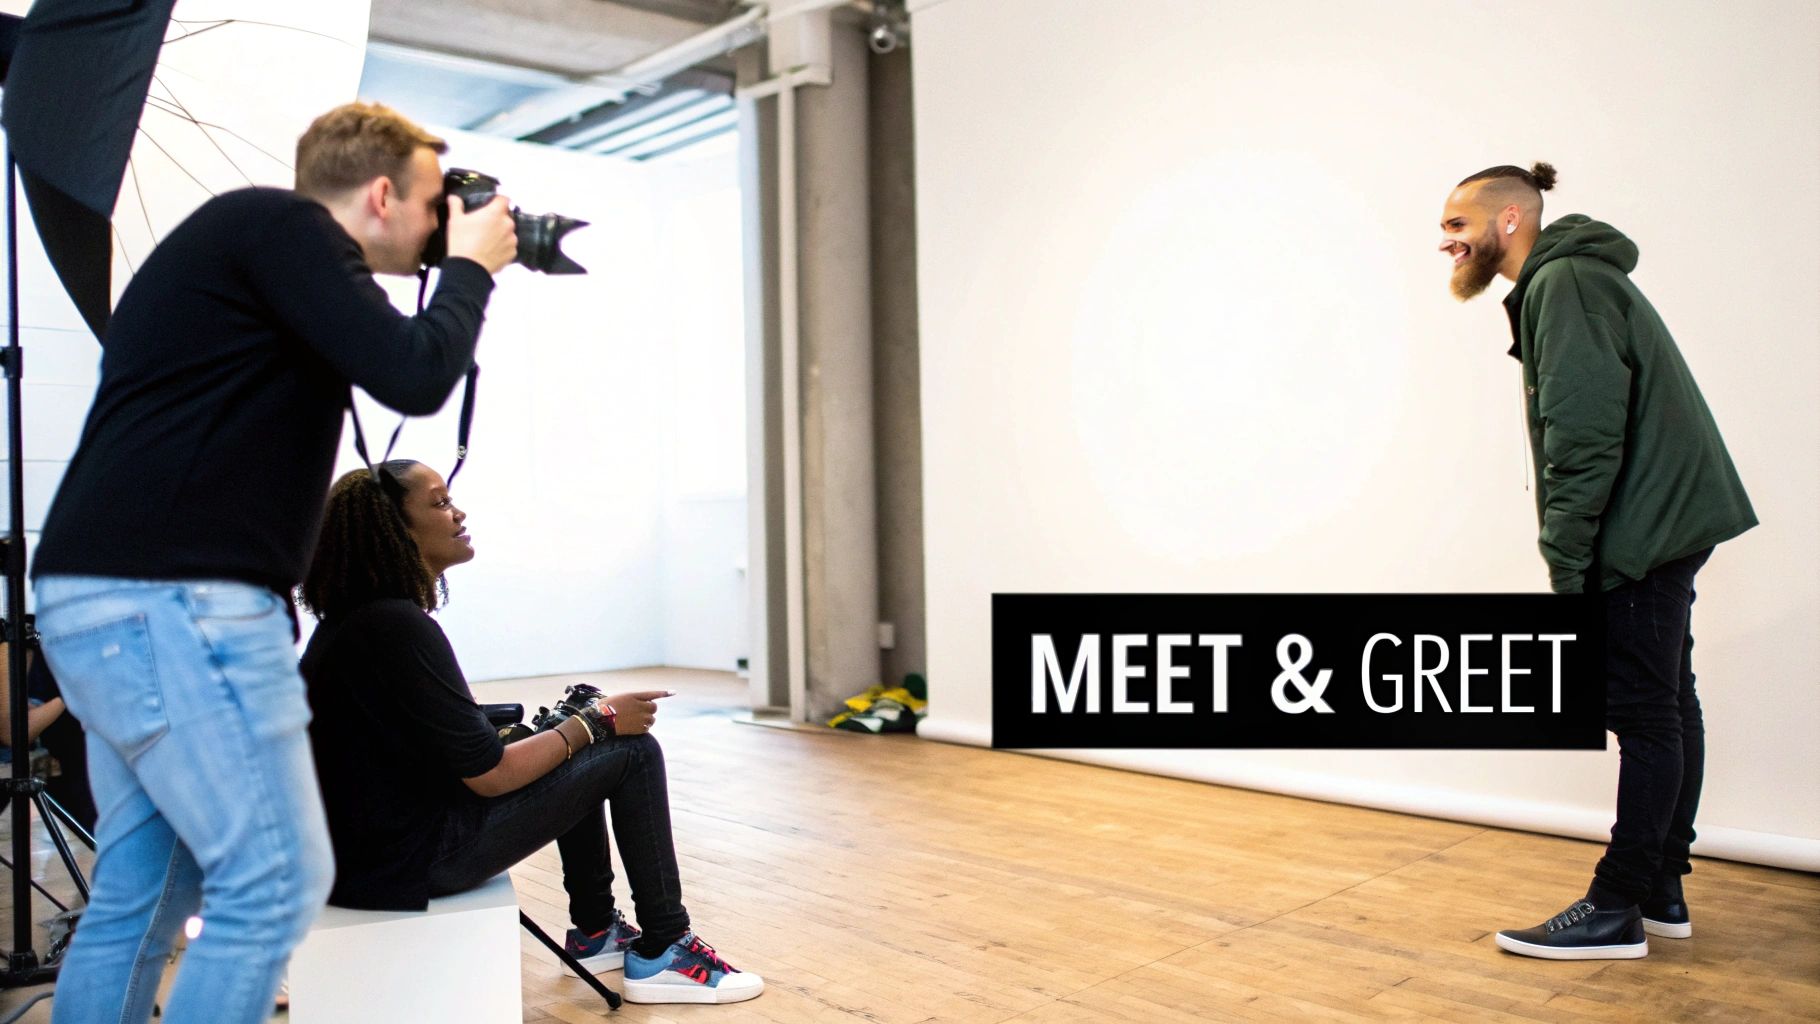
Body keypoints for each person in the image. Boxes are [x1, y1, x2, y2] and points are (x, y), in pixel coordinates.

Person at [29, 101, 518, 1024]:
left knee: (143, 897)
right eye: (430, 204)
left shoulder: (251, 252)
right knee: (275, 879)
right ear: (382, 192)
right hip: (178, 600)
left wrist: (448, 265)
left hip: (102, 600)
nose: (436, 226)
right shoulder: (284, 226)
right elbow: (414, 373)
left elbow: (387, 358)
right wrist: (469, 268)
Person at [297, 460, 765, 1005]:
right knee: (631, 750)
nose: (459, 512)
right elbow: (490, 777)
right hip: (412, 862)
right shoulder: (397, 627)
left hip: (371, 858)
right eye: (440, 502)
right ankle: (665, 948)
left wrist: (566, 732)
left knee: (564, 737)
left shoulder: (360, 623)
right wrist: (598, 722)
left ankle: (595, 933)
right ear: (393, 528)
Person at [1438, 162, 1756, 960]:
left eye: (1456, 224)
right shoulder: (1568, 279)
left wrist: (1569, 575)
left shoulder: (1563, 284)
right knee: (1667, 700)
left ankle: (1617, 906)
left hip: (1643, 527)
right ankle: (1660, 889)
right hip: (1666, 518)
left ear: (1509, 221)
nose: (1445, 241)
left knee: (1645, 713)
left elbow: (1583, 440)